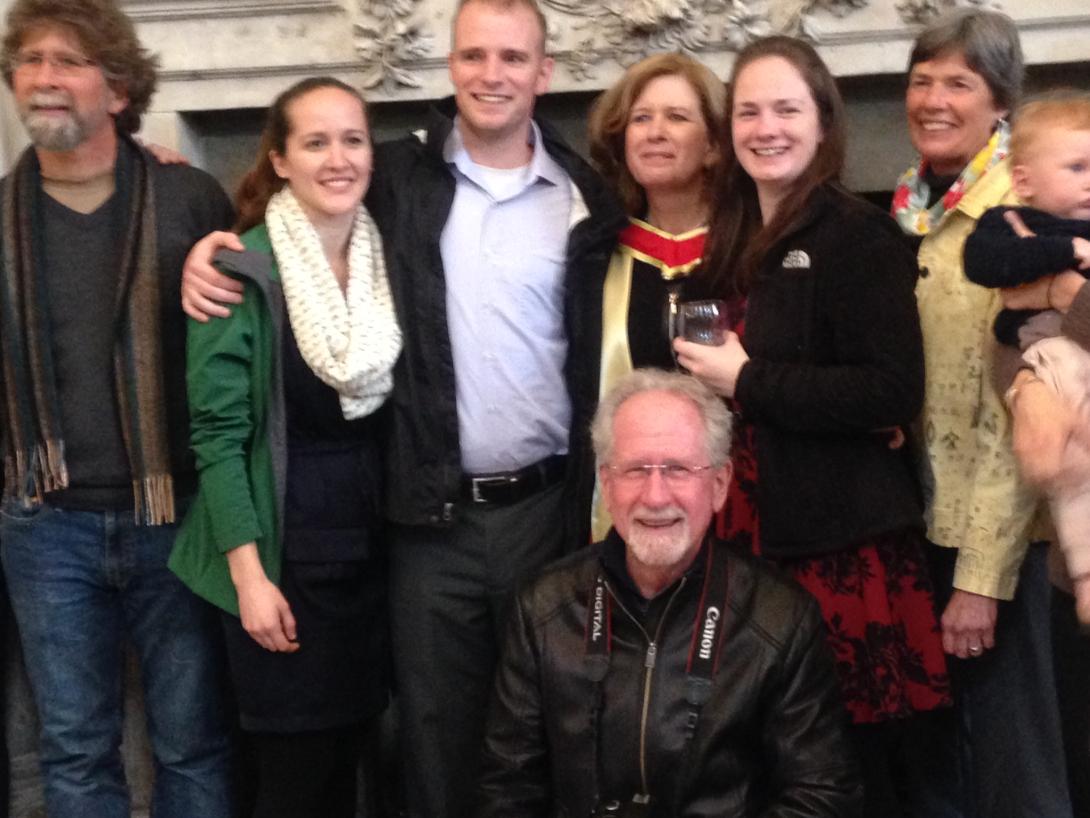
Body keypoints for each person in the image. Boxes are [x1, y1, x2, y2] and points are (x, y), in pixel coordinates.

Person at [175, 1, 625, 815]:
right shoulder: (395, 178)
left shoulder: (586, 195)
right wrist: (209, 245)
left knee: (559, 724)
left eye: (514, 58)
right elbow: (303, 221)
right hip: (429, 520)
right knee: (434, 740)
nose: (493, 75)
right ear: (449, 67)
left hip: (549, 510)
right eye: (475, 56)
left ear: (544, 73)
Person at [673, 35, 950, 816]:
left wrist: (748, 380)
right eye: (750, 111)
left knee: (845, 771)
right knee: (756, 761)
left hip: (838, 549)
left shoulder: (857, 235)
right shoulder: (727, 241)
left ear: (824, 123)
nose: (767, 127)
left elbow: (891, 391)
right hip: (741, 539)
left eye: (787, 109)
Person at [0, 1, 234, 816]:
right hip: (43, 526)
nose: (44, 78)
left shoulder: (189, 198)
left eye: (69, 61)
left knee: (195, 741)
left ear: (122, 88)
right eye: (30, 61)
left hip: (177, 515)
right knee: (72, 749)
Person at [477, 368, 862, 817]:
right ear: (606, 482)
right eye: (636, 469)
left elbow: (822, 796)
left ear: (719, 484)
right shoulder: (543, 607)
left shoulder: (780, 618)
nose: (655, 496)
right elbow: (507, 790)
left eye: (678, 469)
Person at [168, 76, 400, 818]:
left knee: (347, 772)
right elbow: (218, 438)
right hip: (278, 563)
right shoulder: (241, 269)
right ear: (279, 160)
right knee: (291, 782)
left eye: (354, 139)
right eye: (316, 141)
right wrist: (248, 579)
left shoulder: (385, 262)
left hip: (368, 562)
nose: (339, 158)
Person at [890, 8, 1073, 817]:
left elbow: (1024, 401)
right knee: (952, 767)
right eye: (921, 79)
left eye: (958, 82)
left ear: (1001, 101)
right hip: (934, 519)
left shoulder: (1022, 226)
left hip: (1010, 546)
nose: (932, 98)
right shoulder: (920, 210)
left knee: (1013, 775)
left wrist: (980, 578)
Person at [585, 52, 726, 538]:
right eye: (641, 119)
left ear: (712, 146)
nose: (655, 131)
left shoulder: (749, 253)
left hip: (739, 502)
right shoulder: (596, 257)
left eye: (677, 117)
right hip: (629, 505)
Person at [964, 92, 1090, 604]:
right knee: (1075, 467)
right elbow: (985, 265)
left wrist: (1057, 291)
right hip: (1050, 357)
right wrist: (1065, 253)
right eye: (1077, 166)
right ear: (1024, 181)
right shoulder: (1013, 223)